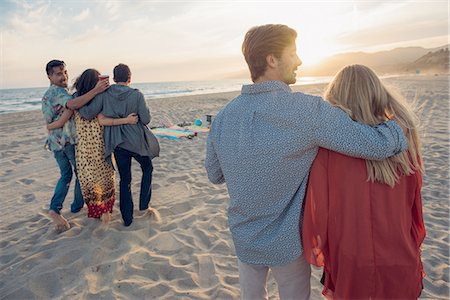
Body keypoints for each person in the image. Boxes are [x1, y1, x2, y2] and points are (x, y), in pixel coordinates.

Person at [204, 24, 408, 300]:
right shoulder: (306, 111)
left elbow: (215, 174)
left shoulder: (224, 116)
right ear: (271, 59)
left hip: (244, 238)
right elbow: (374, 144)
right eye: (294, 53)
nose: (299, 60)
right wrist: (401, 127)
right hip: (286, 243)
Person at [301, 64, 426, 299]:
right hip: (400, 254)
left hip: (351, 261)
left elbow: (318, 216)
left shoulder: (329, 152)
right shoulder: (404, 144)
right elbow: (414, 206)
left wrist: (322, 252)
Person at [47, 69, 139, 223]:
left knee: (89, 179)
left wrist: (50, 126)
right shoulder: (101, 98)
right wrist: (126, 120)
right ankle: (105, 211)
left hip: (83, 149)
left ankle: (97, 210)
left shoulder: (76, 99)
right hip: (101, 145)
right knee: (105, 177)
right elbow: (103, 120)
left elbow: (63, 119)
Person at [78, 63, 160, 227]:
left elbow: (87, 113)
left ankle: (127, 219)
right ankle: (144, 204)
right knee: (147, 168)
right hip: (136, 143)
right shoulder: (137, 95)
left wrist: (76, 100)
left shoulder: (104, 94)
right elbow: (146, 119)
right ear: (130, 78)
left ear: (114, 79)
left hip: (117, 143)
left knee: (125, 180)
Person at [42, 60, 108, 232]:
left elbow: (54, 120)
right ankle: (69, 207)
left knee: (66, 175)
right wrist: (96, 90)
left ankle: (65, 207)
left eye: (64, 72)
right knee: (79, 174)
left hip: (55, 142)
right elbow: (73, 105)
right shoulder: (57, 92)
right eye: (58, 73)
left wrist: (52, 125)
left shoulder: (53, 93)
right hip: (66, 142)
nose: (63, 76)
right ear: (49, 76)